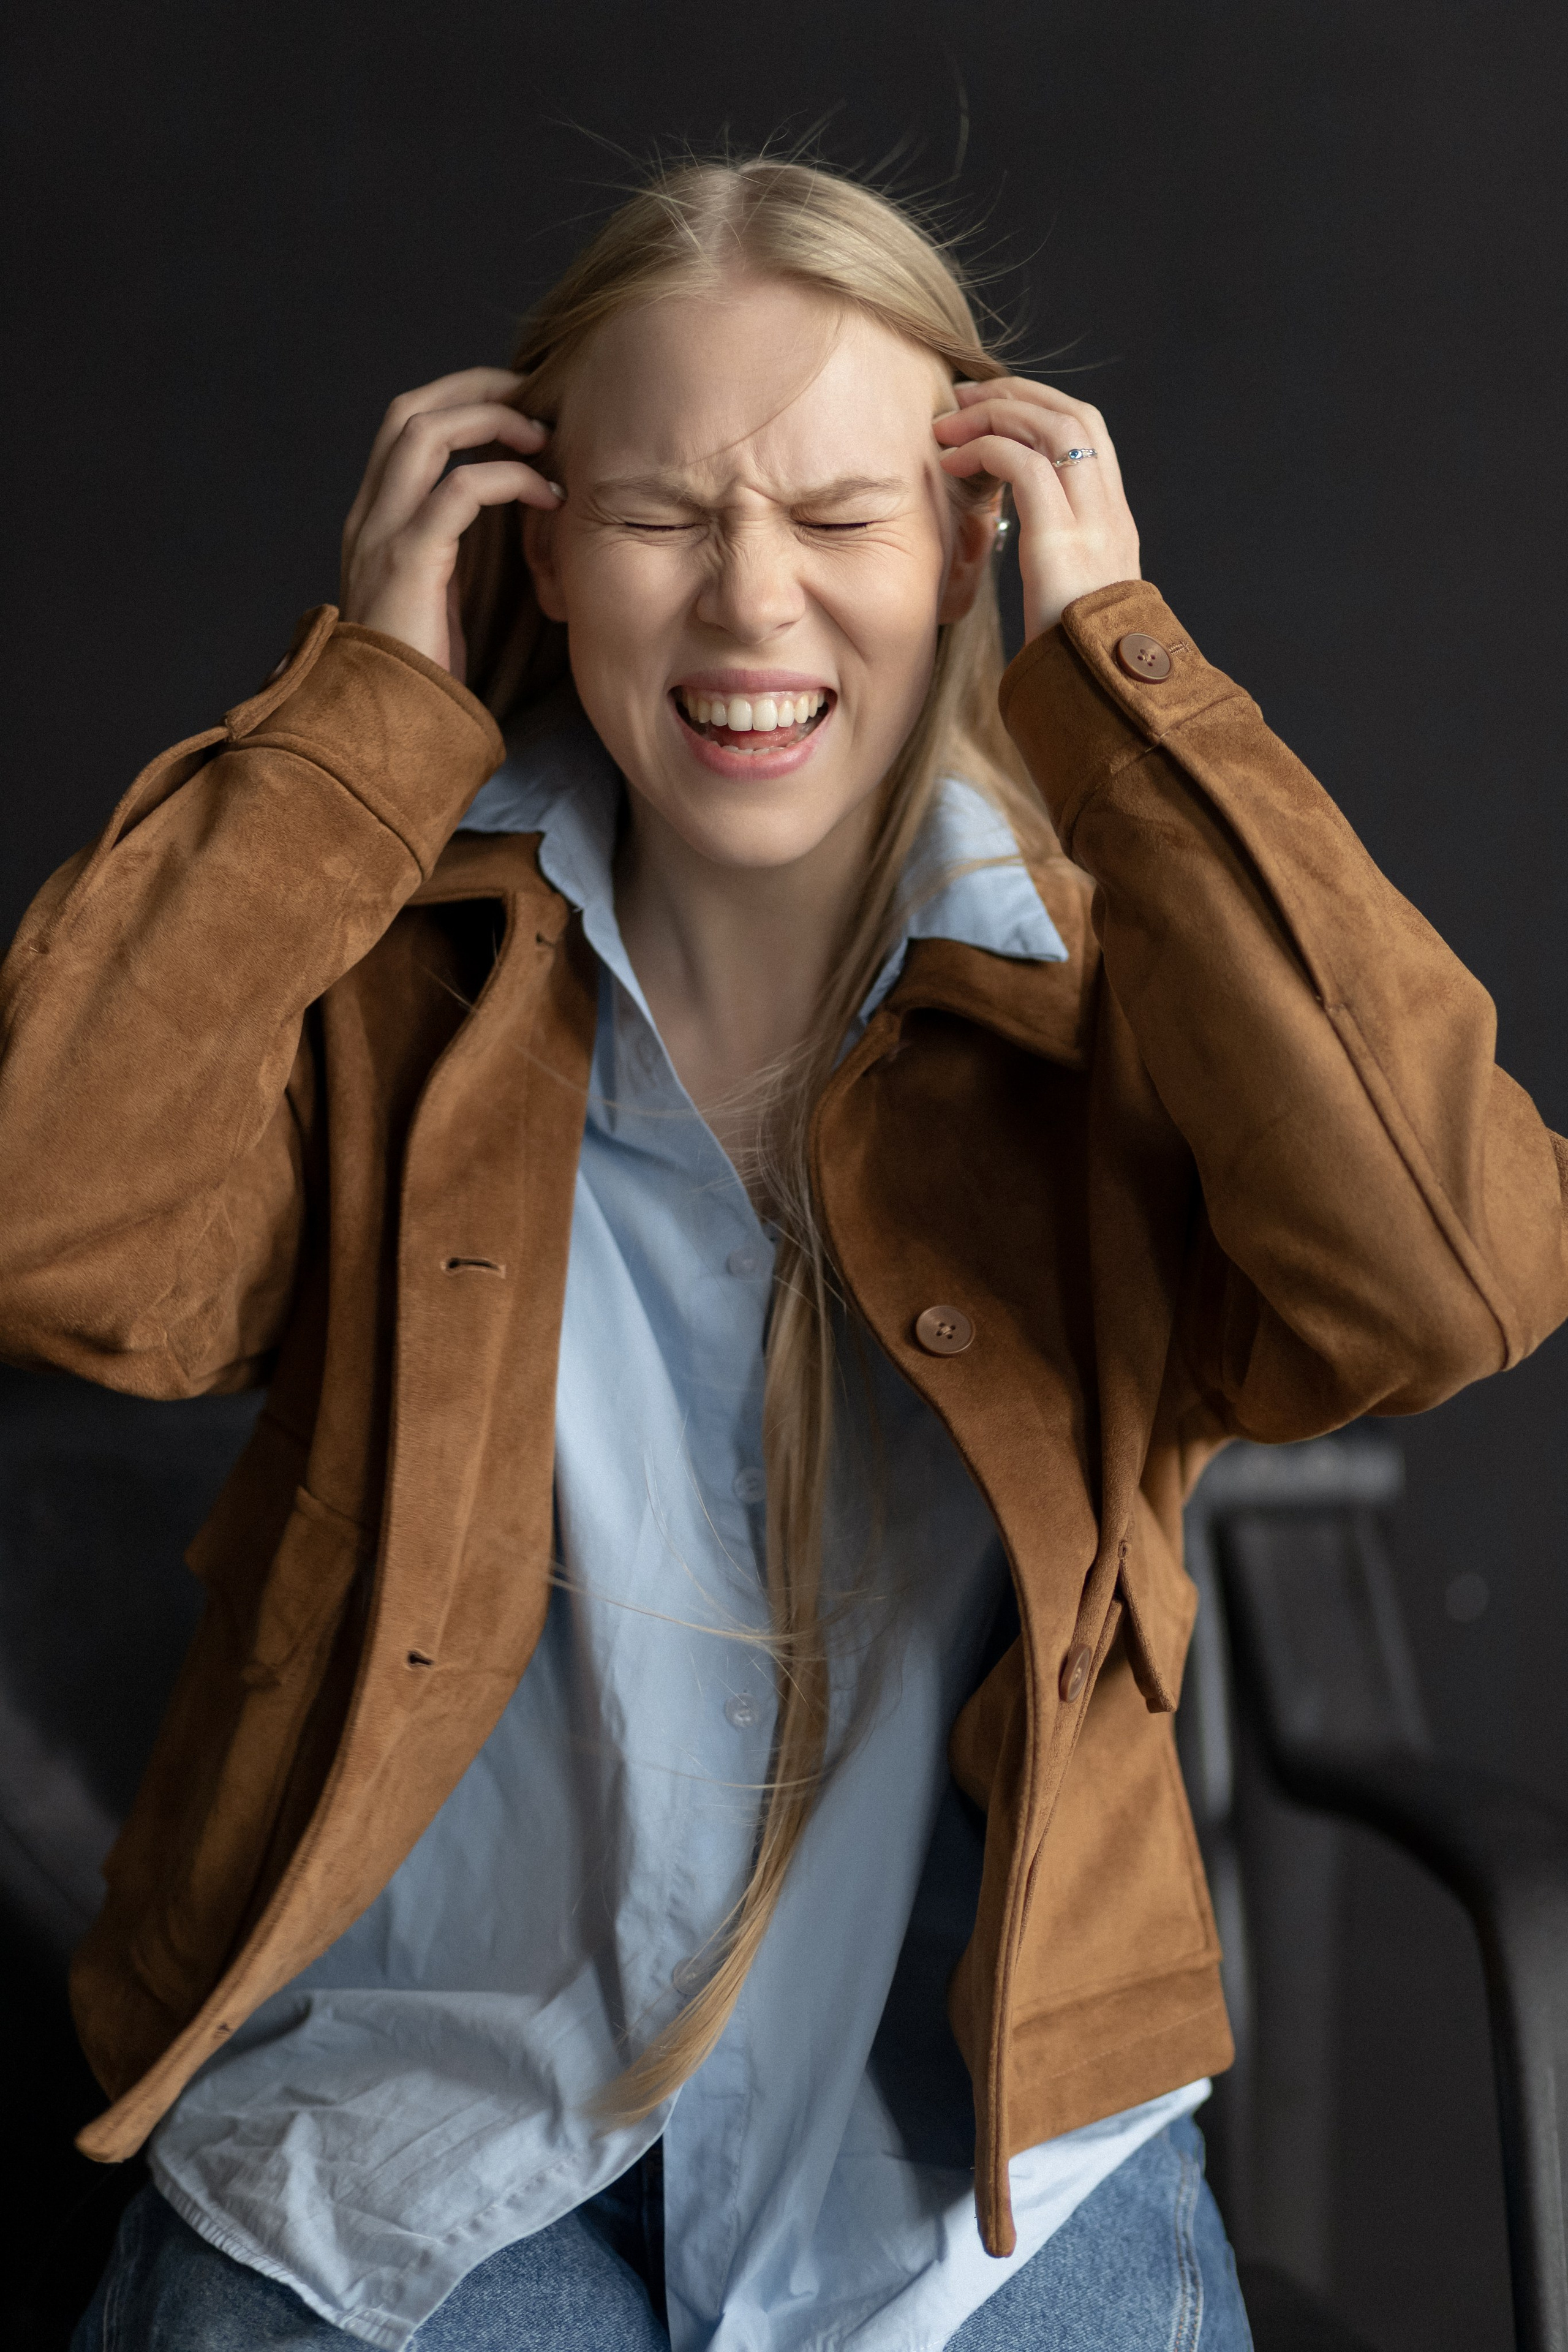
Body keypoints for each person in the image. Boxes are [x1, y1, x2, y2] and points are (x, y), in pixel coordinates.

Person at [2, 154, 1562, 2352]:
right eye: (660, 519)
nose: (751, 608)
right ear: (535, 541)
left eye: (839, 521)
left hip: (967, 2159)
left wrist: (1125, 694)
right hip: (418, 2127)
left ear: (964, 548)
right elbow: (39, 1218)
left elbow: (1452, 1281)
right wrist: (357, 710)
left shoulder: (1123, 1002)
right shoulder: (375, 977)